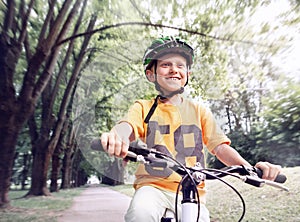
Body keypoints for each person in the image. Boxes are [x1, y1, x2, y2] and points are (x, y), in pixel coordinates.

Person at [100, 36, 282, 222]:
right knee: (140, 213)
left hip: (193, 190)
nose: (174, 70)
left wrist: (248, 167)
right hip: (152, 188)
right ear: (151, 74)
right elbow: (127, 126)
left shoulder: (199, 111)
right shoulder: (143, 107)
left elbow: (220, 147)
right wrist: (117, 136)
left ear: (188, 74)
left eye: (180, 65)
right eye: (165, 65)